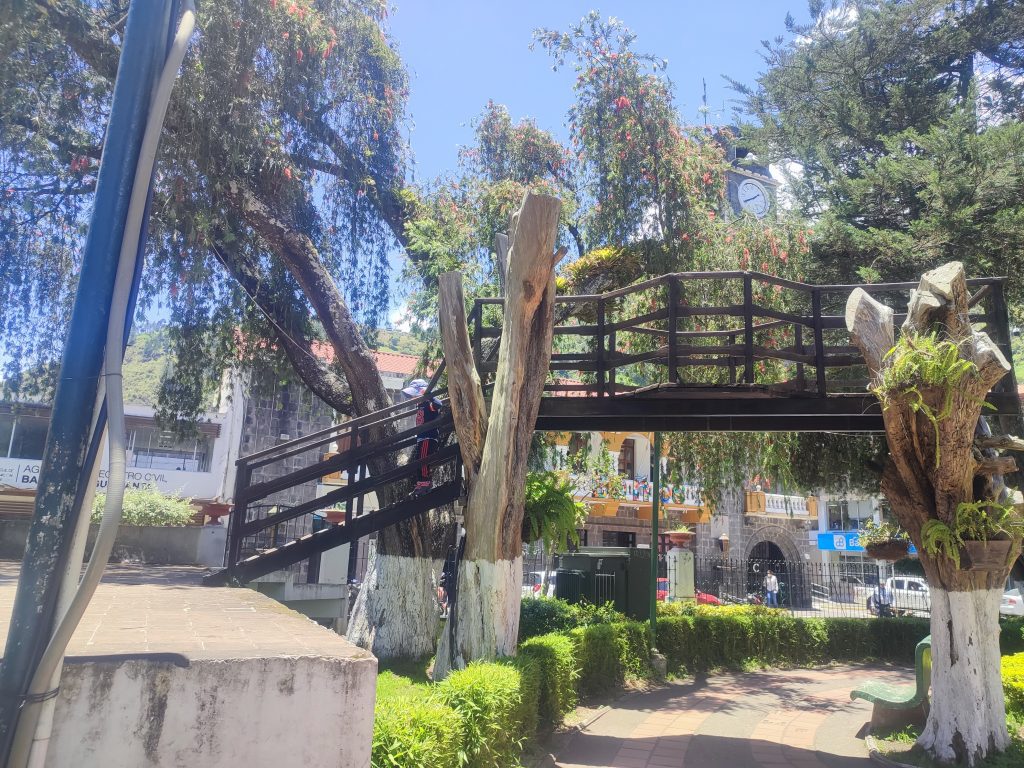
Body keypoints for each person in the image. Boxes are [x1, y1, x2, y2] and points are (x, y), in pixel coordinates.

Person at [402, 378, 441, 494]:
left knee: (423, 460)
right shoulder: (420, 406)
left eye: (414, 396)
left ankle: (425, 483)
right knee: (419, 460)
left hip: (428, 437)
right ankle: (420, 483)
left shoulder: (428, 404)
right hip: (422, 438)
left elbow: (438, 404)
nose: (413, 398)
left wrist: (429, 396)